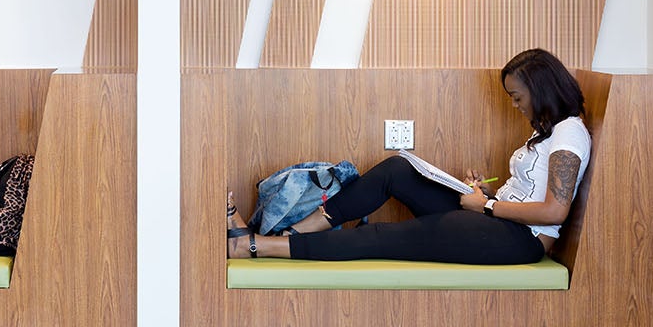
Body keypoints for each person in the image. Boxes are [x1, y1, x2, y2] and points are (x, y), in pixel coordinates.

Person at [227, 48, 591, 265]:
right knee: (398, 169)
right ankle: (297, 230)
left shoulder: (569, 133)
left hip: (518, 239)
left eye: (517, 96)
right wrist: (482, 195)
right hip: (498, 217)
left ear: (541, 89)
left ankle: (254, 245)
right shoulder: (549, 129)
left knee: (384, 236)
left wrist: (487, 207)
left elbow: (554, 211)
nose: (515, 105)